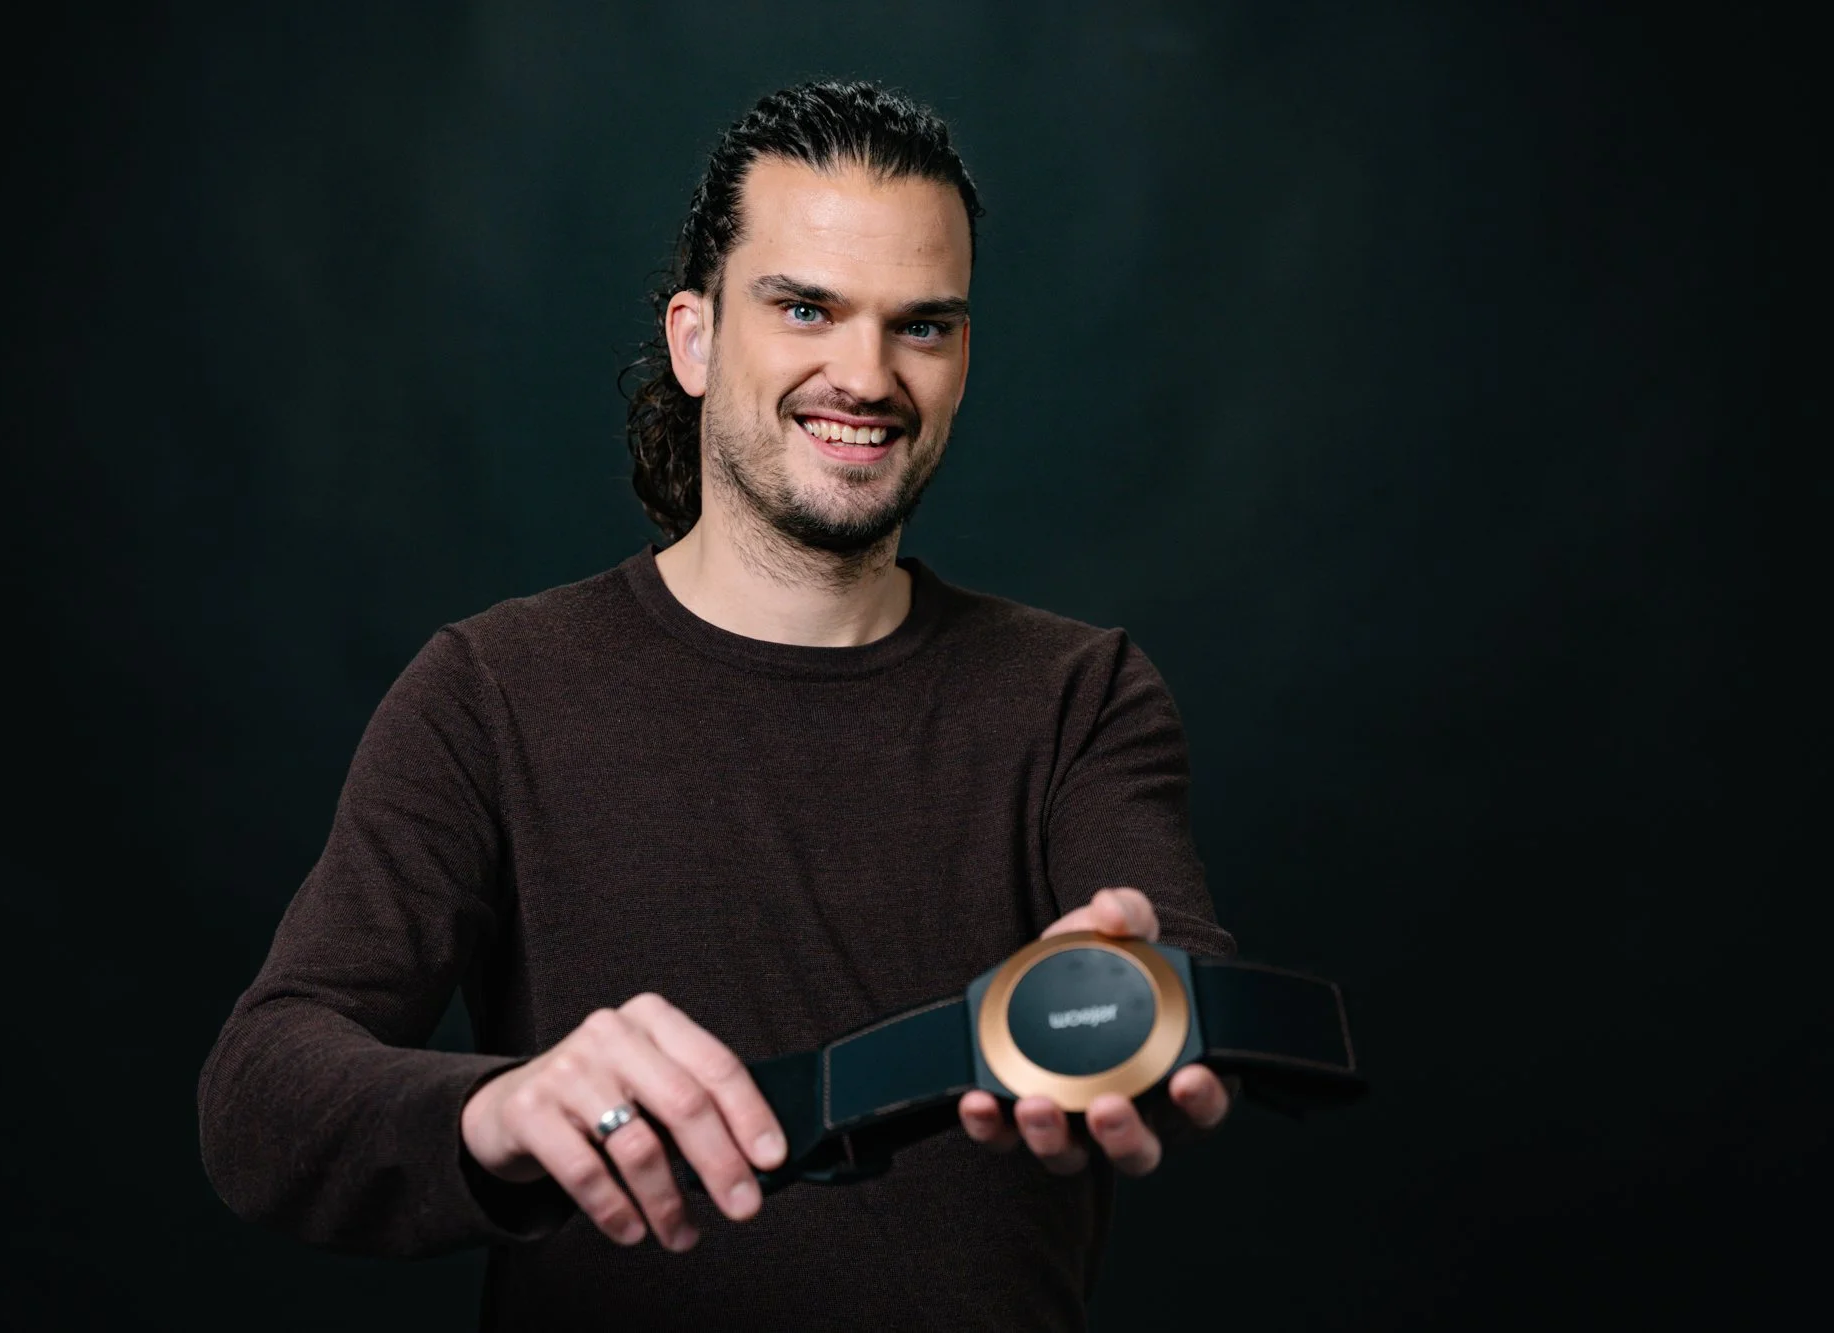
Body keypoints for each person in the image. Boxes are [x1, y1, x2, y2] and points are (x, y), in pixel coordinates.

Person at [198, 79, 1237, 1330]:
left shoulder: (1079, 693)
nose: (865, 374)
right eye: (804, 308)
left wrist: (1139, 1002)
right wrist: (497, 1107)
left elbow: (1177, 970)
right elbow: (261, 1095)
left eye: (920, 326)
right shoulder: (491, 689)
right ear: (693, 340)